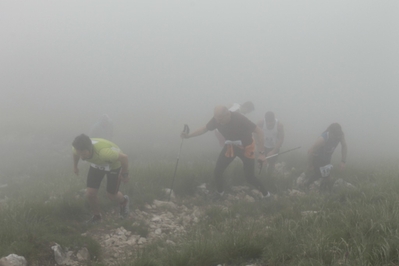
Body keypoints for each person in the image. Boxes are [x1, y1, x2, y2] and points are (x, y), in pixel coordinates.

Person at [181, 105, 270, 199]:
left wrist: (261, 154)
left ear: (228, 114)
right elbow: (204, 129)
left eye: (220, 119)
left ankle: (267, 195)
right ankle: (220, 193)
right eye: (216, 119)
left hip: (246, 148)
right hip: (230, 146)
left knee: (250, 177)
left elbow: (260, 132)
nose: (218, 122)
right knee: (217, 171)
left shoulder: (239, 118)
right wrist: (189, 136)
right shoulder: (217, 119)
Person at [72, 134, 129, 223]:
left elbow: (124, 158)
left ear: (90, 148)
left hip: (113, 165)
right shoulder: (77, 147)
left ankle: (124, 201)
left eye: (83, 154)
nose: (82, 157)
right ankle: (97, 216)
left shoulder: (105, 153)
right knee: (90, 194)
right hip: (97, 164)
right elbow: (75, 154)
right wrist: (75, 166)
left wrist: (125, 174)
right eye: (80, 154)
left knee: (111, 195)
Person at [304, 123, 347, 191]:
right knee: (319, 174)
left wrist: (343, 161)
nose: (336, 139)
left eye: (338, 137)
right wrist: (309, 165)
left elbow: (344, 146)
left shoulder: (340, 135)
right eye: (335, 137)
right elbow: (311, 151)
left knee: (326, 176)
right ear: (330, 132)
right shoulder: (323, 139)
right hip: (316, 157)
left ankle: (325, 191)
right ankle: (306, 185)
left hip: (327, 158)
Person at [257, 111, 284, 177]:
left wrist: (273, 151)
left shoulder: (279, 125)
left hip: (274, 146)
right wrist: (260, 150)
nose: (269, 124)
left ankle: (269, 177)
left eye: (271, 122)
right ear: (265, 120)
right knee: (262, 162)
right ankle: (261, 176)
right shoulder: (261, 123)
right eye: (268, 122)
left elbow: (281, 139)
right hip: (263, 145)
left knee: (272, 163)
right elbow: (255, 135)